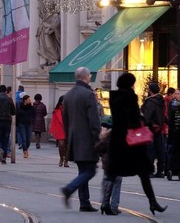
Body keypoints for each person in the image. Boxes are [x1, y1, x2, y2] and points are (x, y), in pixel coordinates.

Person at [100, 73, 167, 215]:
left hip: (117, 139)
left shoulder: (114, 97)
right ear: (130, 83)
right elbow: (134, 118)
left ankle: (105, 203)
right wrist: (147, 124)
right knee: (143, 172)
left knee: (113, 172)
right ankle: (153, 202)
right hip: (131, 141)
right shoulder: (130, 96)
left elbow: (119, 118)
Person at [60, 67, 101, 212]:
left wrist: (67, 137)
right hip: (87, 139)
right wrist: (97, 138)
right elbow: (94, 120)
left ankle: (84, 202)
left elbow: (65, 119)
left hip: (74, 139)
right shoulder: (88, 94)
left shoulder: (68, 95)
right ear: (86, 77)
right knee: (90, 170)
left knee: (83, 170)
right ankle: (69, 188)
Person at [141, 82, 166, 178]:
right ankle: (160, 171)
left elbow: (147, 116)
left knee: (150, 150)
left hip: (151, 128)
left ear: (150, 90)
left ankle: (150, 171)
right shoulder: (160, 100)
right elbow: (163, 114)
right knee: (160, 150)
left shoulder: (151, 102)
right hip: (159, 128)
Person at [49, 96, 69, 167]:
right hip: (60, 129)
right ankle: (61, 159)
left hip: (68, 129)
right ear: (61, 102)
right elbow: (53, 121)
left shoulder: (71, 110)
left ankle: (66, 161)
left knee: (67, 146)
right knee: (61, 145)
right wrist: (52, 130)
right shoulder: (56, 111)